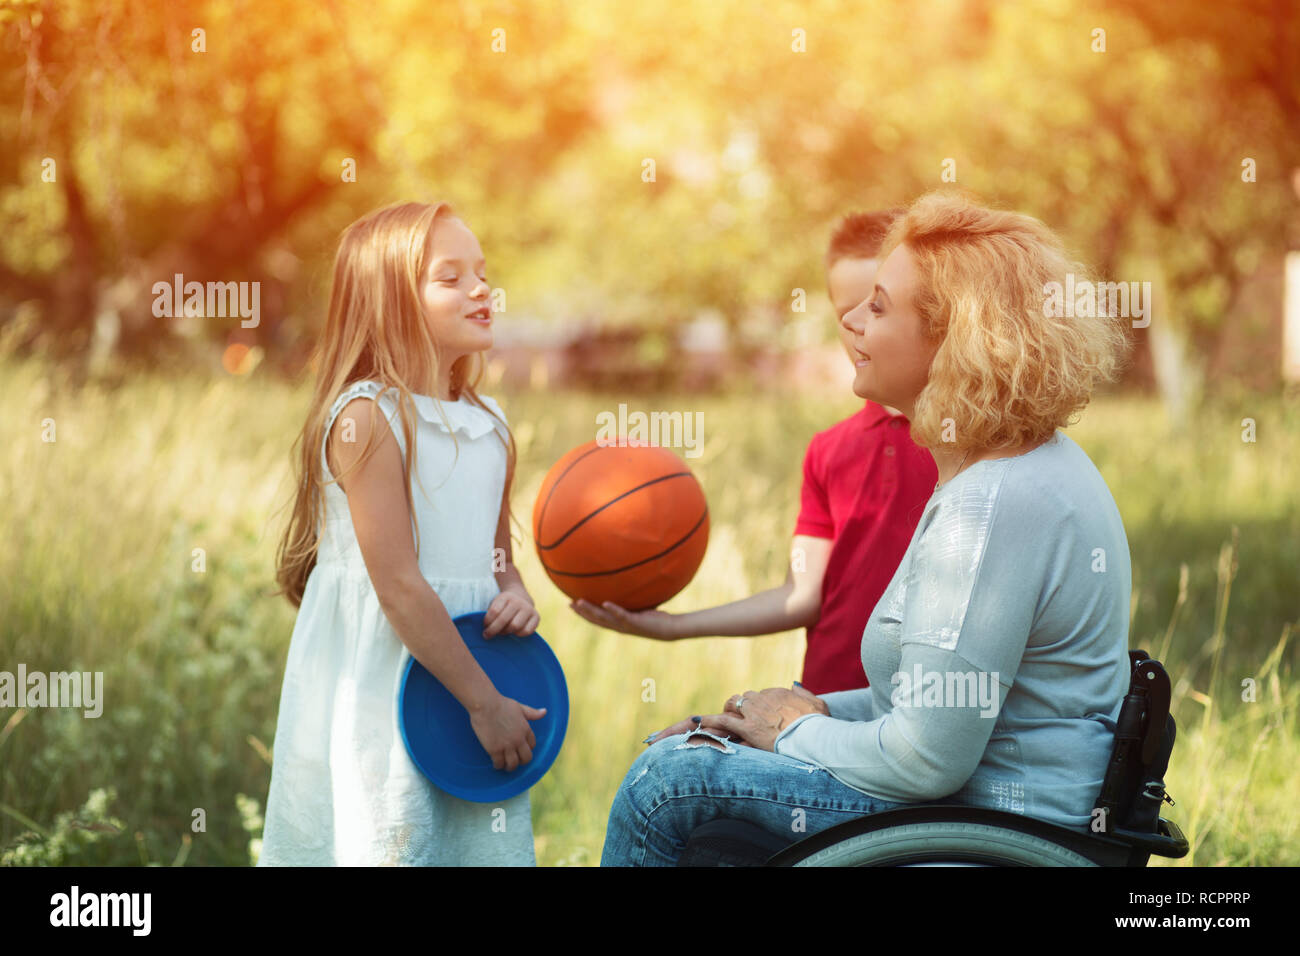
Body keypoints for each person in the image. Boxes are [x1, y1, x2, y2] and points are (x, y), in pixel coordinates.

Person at [601, 190, 1133, 866]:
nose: (850, 320)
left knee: (666, 783)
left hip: (990, 836)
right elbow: (916, 707)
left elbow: (924, 761)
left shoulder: (992, 505)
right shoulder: (1006, 469)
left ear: (954, 340)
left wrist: (793, 733)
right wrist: (755, 720)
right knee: (697, 755)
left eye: (878, 306)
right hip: (969, 811)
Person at [261, 201, 545, 866]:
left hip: (474, 671)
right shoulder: (369, 418)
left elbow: (498, 554)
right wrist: (484, 704)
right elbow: (397, 585)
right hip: (386, 680)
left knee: (469, 845)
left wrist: (515, 592)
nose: (481, 288)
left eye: (482, 272)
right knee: (389, 840)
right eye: (451, 277)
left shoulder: (489, 422)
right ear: (389, 300)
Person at [571, 210, 937, 698]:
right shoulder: (829, 451)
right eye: (844, 312)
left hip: (923, 708)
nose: (856, 328)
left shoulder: (965, 439)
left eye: (876, 307)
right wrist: (674, 626)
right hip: (824, 707)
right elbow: (801, 595)